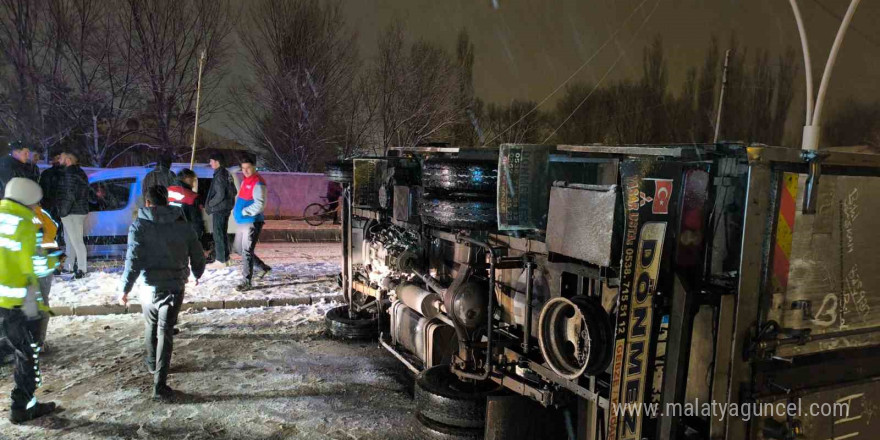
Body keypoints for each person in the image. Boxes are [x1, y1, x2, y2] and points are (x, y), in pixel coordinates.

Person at [119, 185, 205, 401]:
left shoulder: (139, 226)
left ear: (147, 203)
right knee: (165, 331)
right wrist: (197, 273)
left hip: (149, 286)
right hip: (175, 285)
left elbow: (133, 260)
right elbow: (197, 254)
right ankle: (160, 385)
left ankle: (152, 363)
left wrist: (125, 288)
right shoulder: (183, 225)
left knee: (151, 325)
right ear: (167, 201)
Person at [0, 178, 58, 423]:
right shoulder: (25, 224)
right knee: (26, 354)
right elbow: (36, 264)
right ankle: (22, 405)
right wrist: (54, 259)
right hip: (16, 303)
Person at [232, 156, 271, 291]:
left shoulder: (258, 182)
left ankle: (246, 282)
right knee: (238, 248)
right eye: (243, 168)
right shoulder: (246, 181)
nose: (245, 171)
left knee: (246, 251)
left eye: (248, 168)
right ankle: (263, 267)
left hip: (251, 221)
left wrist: (243, 212)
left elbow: (260, 204)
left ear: (254, 167)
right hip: (243, 221)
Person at [57, 152, 89, 279]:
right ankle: (69, 267)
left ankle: (82, 268)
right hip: (76, 210)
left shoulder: (70, 173)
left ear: (68, 160)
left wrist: (63, 212)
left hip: (72, 212)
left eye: (61, 158)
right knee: (70, 241)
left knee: (76, 241)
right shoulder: (78, 172)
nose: (59, 160)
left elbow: (69, 194)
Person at [205, 153, 236, 269]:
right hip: (226, 208)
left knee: (218, 235)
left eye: (211, 161)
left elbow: (220, 194)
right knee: (222, 234)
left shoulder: (219, 175)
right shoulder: (227, 174)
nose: (210, 163)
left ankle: (220, 260)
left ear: (217, 161)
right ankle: (226, 259)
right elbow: (234, 191)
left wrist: (210, 204)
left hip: (219, 209)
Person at [168, 169, 205, 240]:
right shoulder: (192, 196)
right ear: (187, 179)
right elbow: (196, 220)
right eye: (193, 180)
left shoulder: (166, 192)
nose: (193, 183)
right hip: (184, 236)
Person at [39, 153, 66, 220]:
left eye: (60, 158)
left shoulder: (66, 173)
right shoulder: (47, 173)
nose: (58, 160)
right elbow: (43, 188)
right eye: (56, 158)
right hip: (49, 205)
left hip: (60, 205)